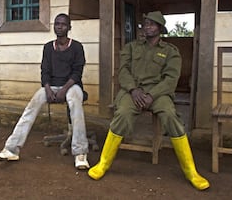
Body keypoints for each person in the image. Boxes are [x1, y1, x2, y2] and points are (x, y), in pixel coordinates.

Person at [88, 11, 210, 190]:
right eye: (145, 24)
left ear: (160, 28)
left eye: (152, 24)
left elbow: (170, 79)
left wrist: (152, 95)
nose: (147, 27)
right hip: (133, 92)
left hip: (158, 94)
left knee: (170, 115)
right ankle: (103, 164)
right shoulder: (131, 47)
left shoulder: (171, 52)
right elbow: (123, 71)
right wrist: (134, 90)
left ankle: (191, 171)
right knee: (122, 114)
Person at [0, 13, 90, 170]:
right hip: (50, 86)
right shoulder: (48, 47)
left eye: (63, 24)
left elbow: (77, 73)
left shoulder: (77, 47)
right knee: (31, 107)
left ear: (69, 27)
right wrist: (47, 88)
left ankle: (80, 153)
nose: (59, 26)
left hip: (72, 86)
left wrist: (64, 90)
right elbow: (44, 71)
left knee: (75, 103)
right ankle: (11, 149)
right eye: (57, 24)